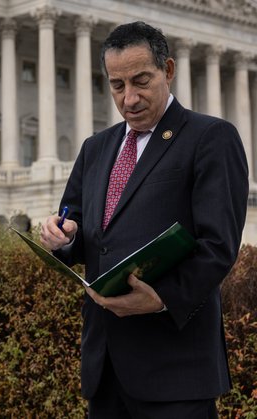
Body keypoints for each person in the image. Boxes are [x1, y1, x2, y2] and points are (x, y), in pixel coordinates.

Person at [40, 21, 248, 417]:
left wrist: (162, 298)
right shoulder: (96, 148)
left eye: (141, 81)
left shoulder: (210, 138)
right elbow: (81, 227)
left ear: (167, 70)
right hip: (105, 365)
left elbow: (218, 246)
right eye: (117, 85)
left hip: (176, 369)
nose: (129, 98)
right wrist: (62, 236)